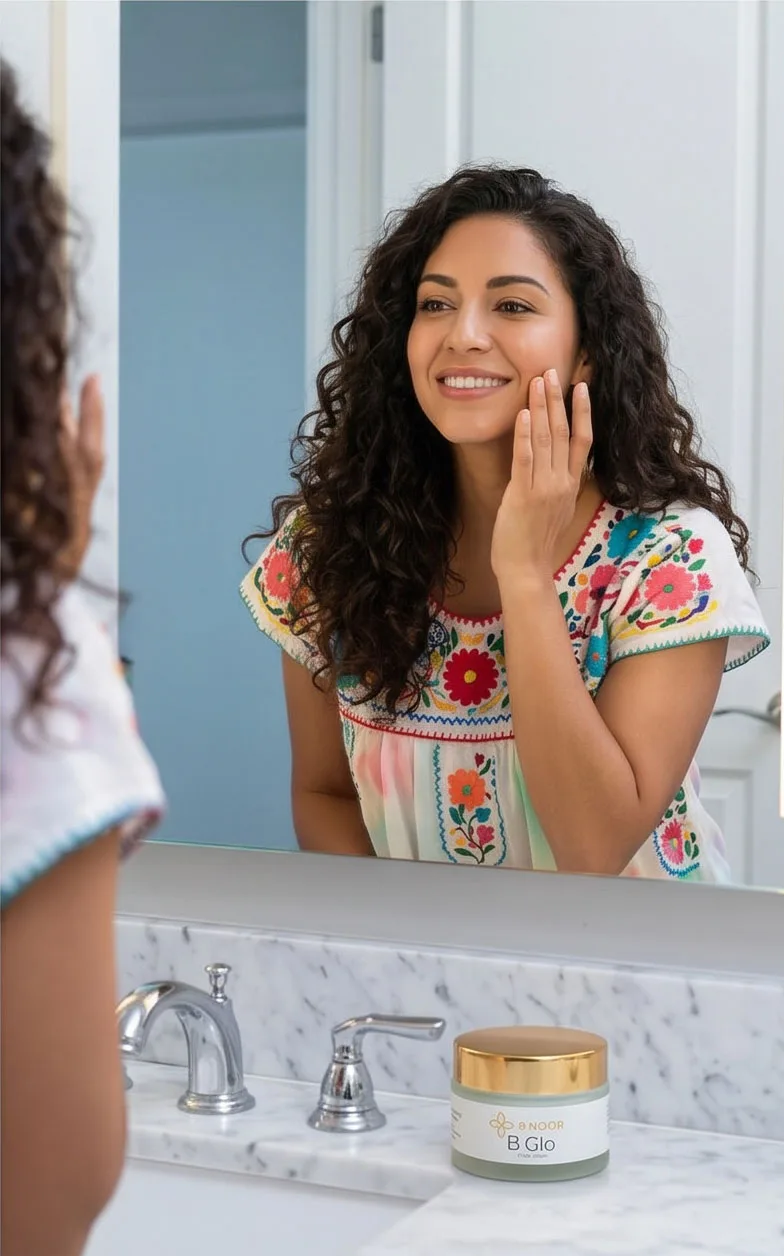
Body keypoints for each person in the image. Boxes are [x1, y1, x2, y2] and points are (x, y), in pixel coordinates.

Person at [241, 165, 769, 882]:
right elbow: (324, 794)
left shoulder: (669, 557)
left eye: (513, 306)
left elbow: (592, 849)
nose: (463, 335)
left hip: (638, 954)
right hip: (419, 956)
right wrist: (412, 940)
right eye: (434, 304)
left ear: (587, 351)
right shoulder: (328, 545)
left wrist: (523, 575)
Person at [1, 62, 165, 1256]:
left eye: (510, 303)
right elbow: (45, 1190)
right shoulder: (25, 671)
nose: (462, 336)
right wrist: (40, 602)